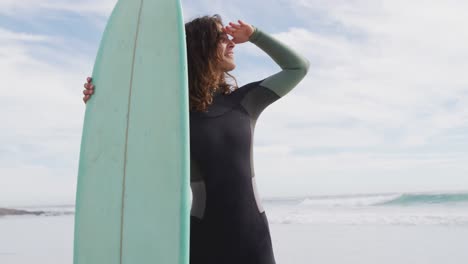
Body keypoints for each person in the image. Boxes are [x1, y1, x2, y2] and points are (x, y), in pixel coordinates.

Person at [83, 14, 309, 264]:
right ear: (199, 48)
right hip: (203, 239)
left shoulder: (245, 102)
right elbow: (118, 124)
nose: (232, 43)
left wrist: (255, 35)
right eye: (222, 38)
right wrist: (97, 98)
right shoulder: (171, 114)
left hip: (254, 239)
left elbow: (298, 67)